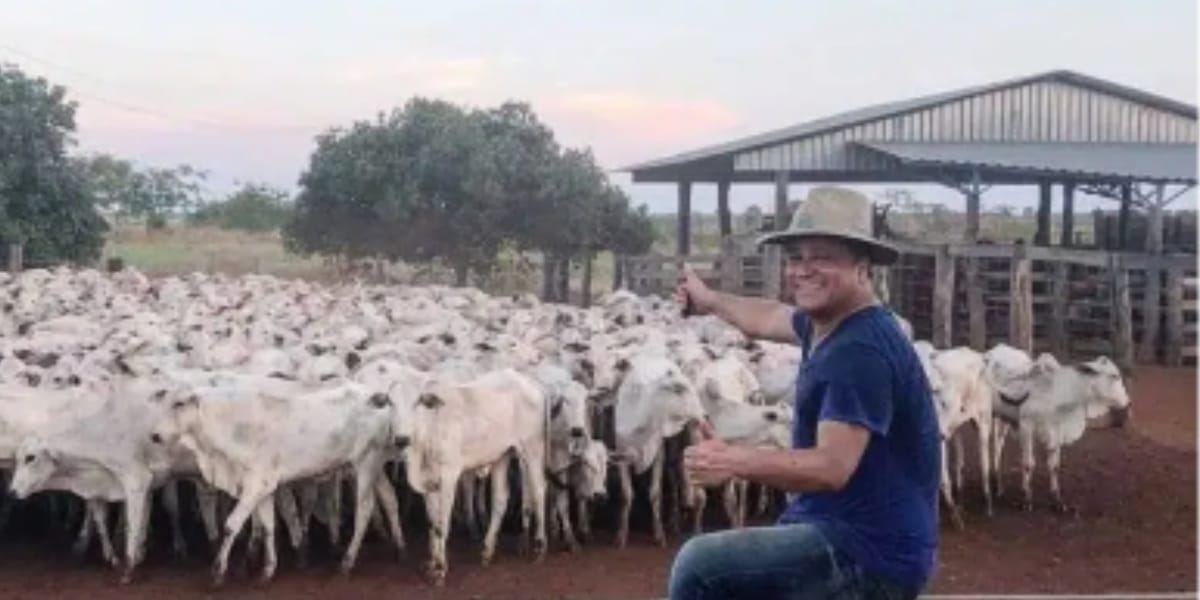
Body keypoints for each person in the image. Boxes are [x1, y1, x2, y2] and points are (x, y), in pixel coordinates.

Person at [668, 187, 940, 600]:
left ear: (863, 267)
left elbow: (832, 467)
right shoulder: (829, 323)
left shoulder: (858, 351)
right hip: (845, 533)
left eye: (824, 257)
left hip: (869, 557)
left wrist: (734, 459)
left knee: (701, 567)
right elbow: (768, 316)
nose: (803, 270)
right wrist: (709, 301)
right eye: (797, 257)